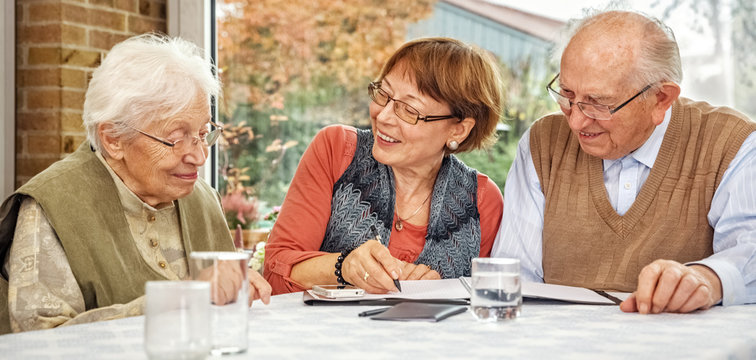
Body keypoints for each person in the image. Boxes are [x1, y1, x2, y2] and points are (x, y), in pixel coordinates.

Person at [0, 34, 271, 334]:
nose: (199, 155)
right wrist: (182, 298)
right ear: (113, 139)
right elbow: (39, 343)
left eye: (204, 133)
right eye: (175, 138)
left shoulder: (203, 198)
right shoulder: (51, 207)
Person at [492, 10, 756, 314]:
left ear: (661, 99)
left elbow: (749, 250)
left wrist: (707, 278)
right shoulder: (542, 144)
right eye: (566, 94)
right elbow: (513, 276)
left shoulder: (732, 144)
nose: (576, 122)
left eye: (598, 103)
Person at [264, 37, 505, 294]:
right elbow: (274, 277)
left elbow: (483, 305)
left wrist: (443, 290)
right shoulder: (337, 150)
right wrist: (344, 268)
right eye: (384, 94)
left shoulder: (481, 202)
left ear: (458, 130)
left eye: (410, 110)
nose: (384, 116)